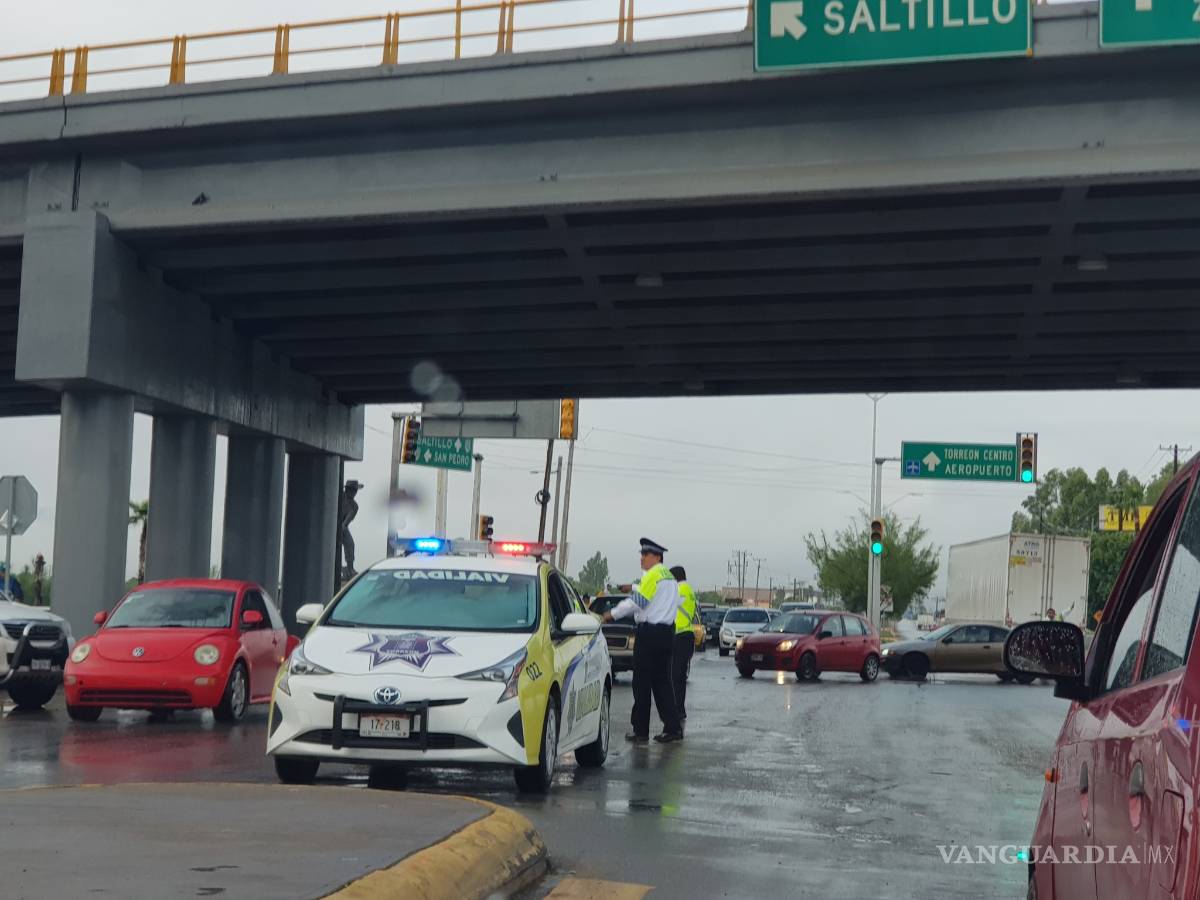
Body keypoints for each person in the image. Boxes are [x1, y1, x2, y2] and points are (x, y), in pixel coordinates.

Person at [603, 538, 684, 744]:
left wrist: (610, 614)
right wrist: (631, 586)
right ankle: (673, 728)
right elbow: (648, 593)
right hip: (667, 634)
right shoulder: (670, 578)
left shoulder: (653, 574)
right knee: (663, 683)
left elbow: (637, 602)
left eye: (645, 554)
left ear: (657, 557)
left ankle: (640, 731)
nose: (642, 558)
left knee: (641, 683)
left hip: (649, 635)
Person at [670, 565, 698, 723]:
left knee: (675, 676)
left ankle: (677, 710)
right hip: (686, 635)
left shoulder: (681, 590)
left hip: (680, 636)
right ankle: (679, 710)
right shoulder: (689, 590)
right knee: (679, 677)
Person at [339, 480, 362, 577]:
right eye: (352, 490)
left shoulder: (354, 506)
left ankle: (349, 568)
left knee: (350, 544)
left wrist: (342, 527)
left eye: (355, 491)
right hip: (331, 525)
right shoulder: (339, 496)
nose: (354, 493)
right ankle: (340, 568)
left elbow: (346, 522)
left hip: (342, 526)